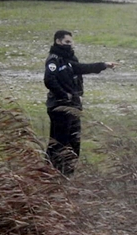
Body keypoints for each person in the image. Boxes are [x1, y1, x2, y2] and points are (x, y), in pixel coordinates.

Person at [44, 30, 116, 176]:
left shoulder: (70, 60)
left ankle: (68, 172)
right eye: (67, 42)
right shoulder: (54, 60)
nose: (70, 45)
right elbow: (49, 80)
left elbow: (83, 68)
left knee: (74, 141)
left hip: (73, 106)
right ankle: (53, 172)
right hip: (59, 106)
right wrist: (65, 95)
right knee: (59, 142)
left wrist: (103, 65)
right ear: (58, 41)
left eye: (71, 42)